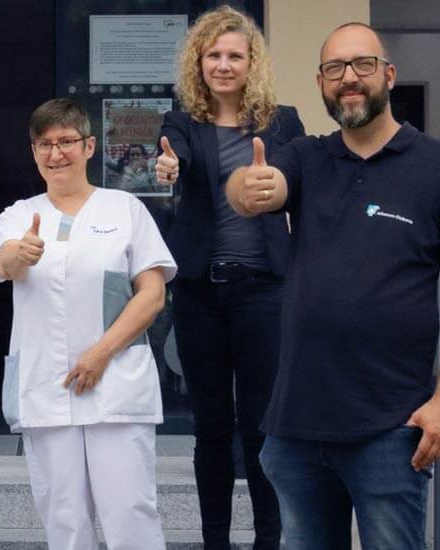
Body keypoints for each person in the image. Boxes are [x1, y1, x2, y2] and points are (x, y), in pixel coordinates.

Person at [226, 22, 440, 549]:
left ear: (389, 74)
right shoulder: (308, 158)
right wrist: (249, 187)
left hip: (391, 425)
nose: (349, 79)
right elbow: (256, 189)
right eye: (335, 69)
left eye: (362, 65)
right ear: (320, 82)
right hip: (296, 426)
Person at [0, 98, 177, 550]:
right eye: (45, 144)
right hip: (48, 391)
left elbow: (152, 294)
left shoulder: (124, 209)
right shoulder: (18, 215)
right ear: (33, 151)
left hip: (115, 388)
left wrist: (99, 353)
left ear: (90, 146)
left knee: (130, 514)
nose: (56, 154)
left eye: (66, 142)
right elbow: (5, 264)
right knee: (64, 521)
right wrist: (23, 253)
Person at [152, 7, 305, 549]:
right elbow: (177, 161)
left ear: (251, 63)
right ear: (199, 61)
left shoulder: (283, 121)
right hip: (200, 292)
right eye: (213, 55)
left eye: (234, 55)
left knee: (263, 425)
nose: (223, 64)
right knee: (211, 428)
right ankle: (214, 539)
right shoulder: (181, 121)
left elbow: (299, 188)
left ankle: (270, 539)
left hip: (264, 291)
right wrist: (168, 168)